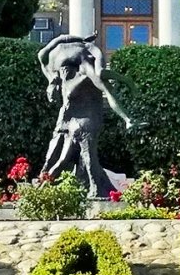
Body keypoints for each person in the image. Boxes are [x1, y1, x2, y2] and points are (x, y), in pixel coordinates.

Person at [37, 33, 133, 198]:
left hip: (84, 122)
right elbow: (41, 55)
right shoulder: (53, 76)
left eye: (66, 70)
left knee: (83, 158)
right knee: (59, 158)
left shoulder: (82, 72)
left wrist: (126, 117)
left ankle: (95, 189)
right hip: (68, 123)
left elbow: (104, 86)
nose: (63, 74)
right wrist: (68, 39)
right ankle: (45, 187)